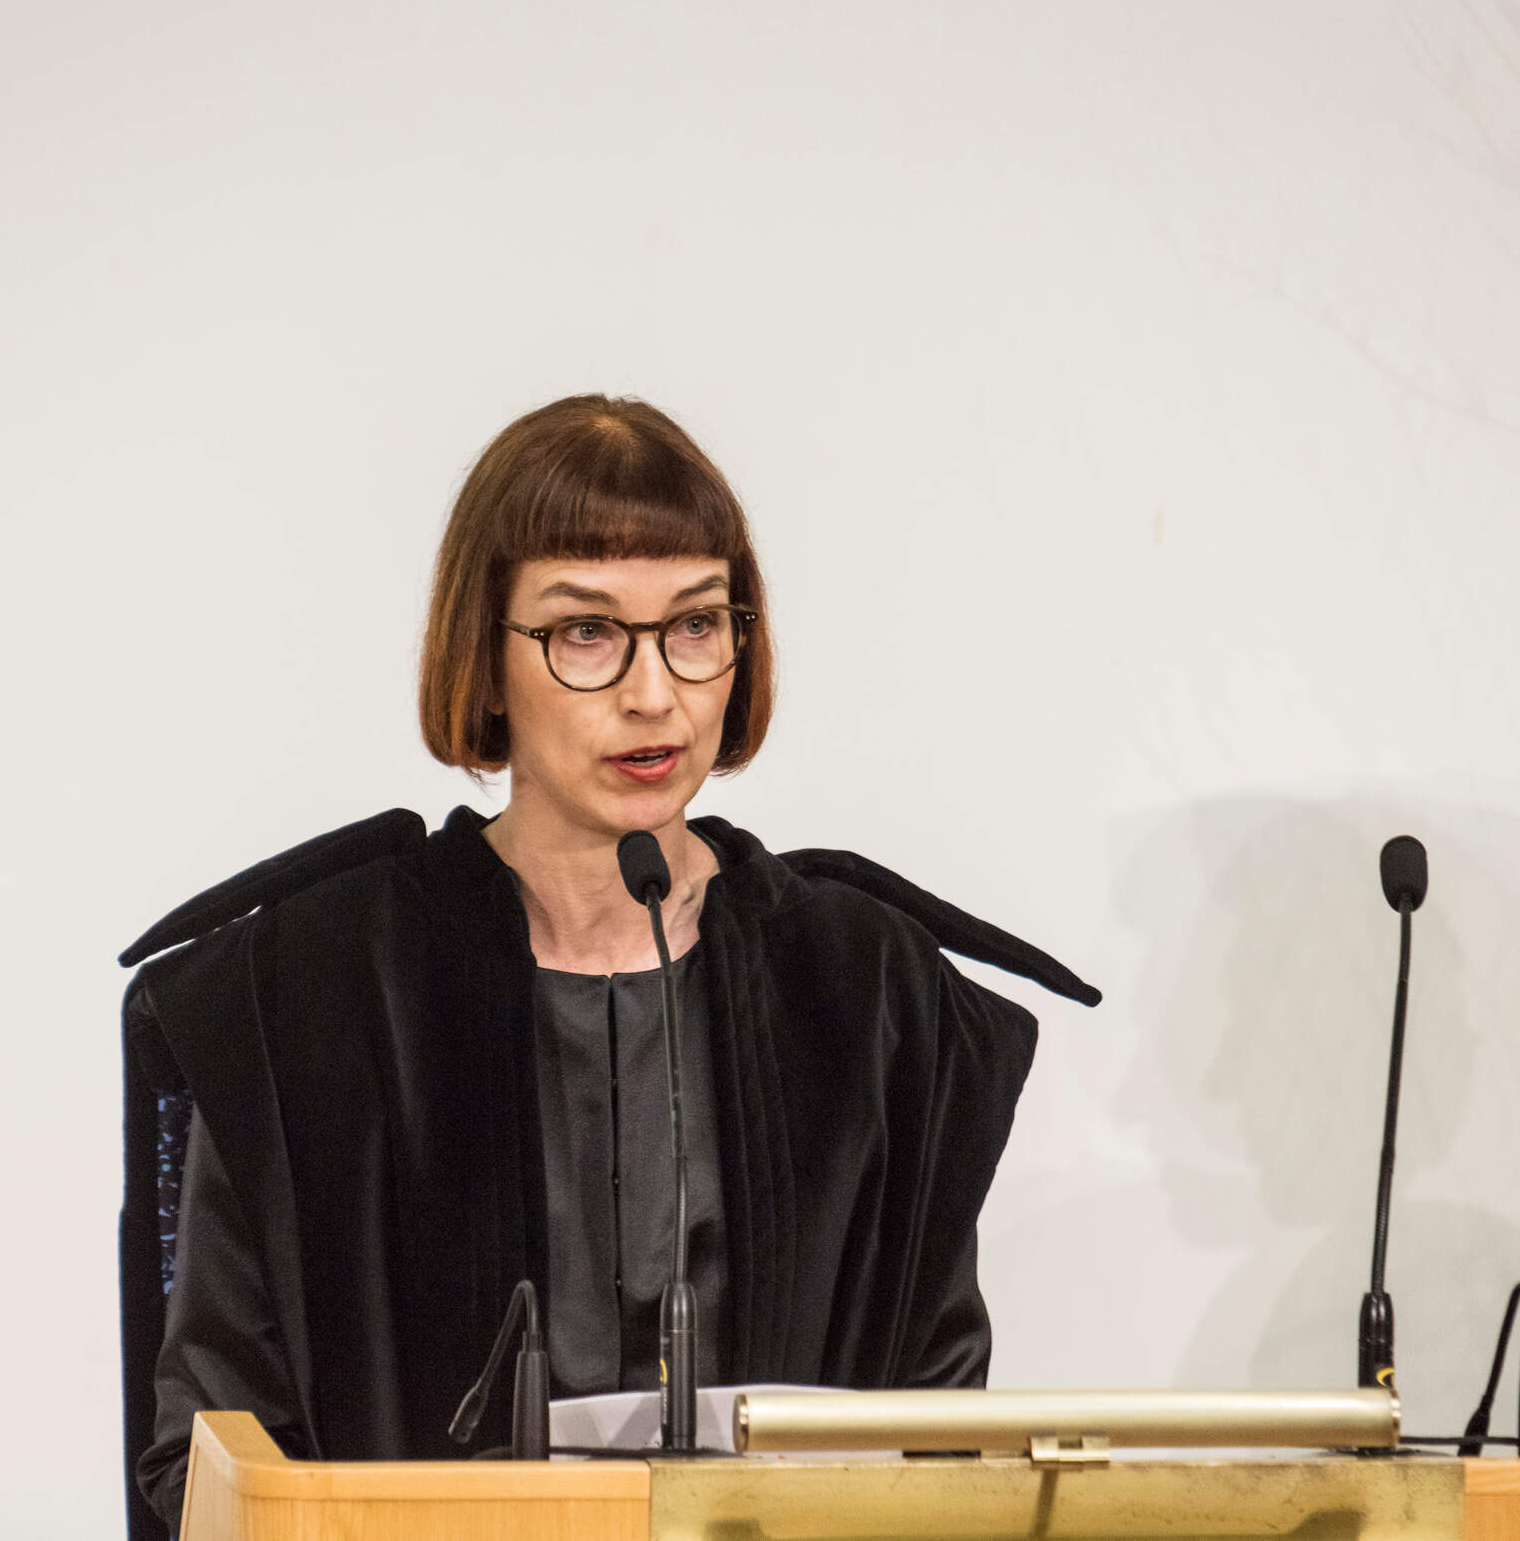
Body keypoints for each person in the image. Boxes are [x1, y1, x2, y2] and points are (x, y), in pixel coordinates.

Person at [122, 396, 1094, 1531]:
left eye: (695, 624)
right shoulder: (314, 991)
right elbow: (210, 1453)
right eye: (585, 631)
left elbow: (942, 1441)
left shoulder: (867, 994)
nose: (653, 692)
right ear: (484, 657)